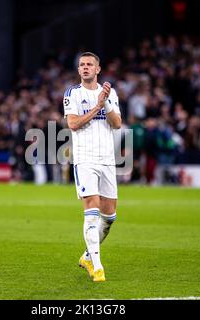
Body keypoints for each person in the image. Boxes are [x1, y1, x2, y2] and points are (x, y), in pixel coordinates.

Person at [63, 52, 122, 282]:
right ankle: (97, 267)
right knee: (91, 210)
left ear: (98, 69)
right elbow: (73, 124)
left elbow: (117, 124)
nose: (85, 68)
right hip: (85, 159)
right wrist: (97, 106)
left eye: (89, 65)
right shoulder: (73, 93)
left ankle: (88, 256)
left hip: (107, 159)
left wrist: (105, 101)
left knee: (109, 216)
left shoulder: (110, 93)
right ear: (78, 70)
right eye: (81, 65)